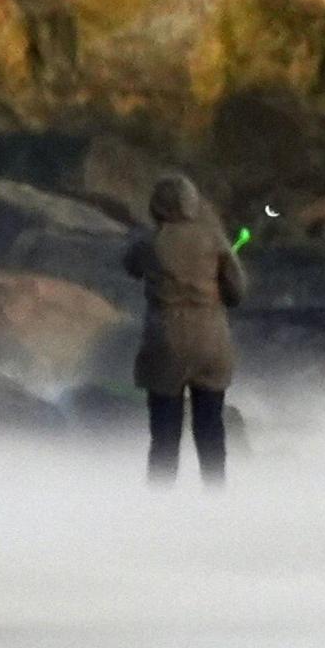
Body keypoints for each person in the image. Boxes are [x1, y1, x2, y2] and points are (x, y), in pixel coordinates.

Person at [125, 174, 245, 487]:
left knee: (164, 435)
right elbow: (238, 292)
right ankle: (216, 499)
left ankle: (161, 508)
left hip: (166, 343)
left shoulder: (151, 242)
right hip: (212, 343)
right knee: (210, 429)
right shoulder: (215, 239)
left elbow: (130, 265)